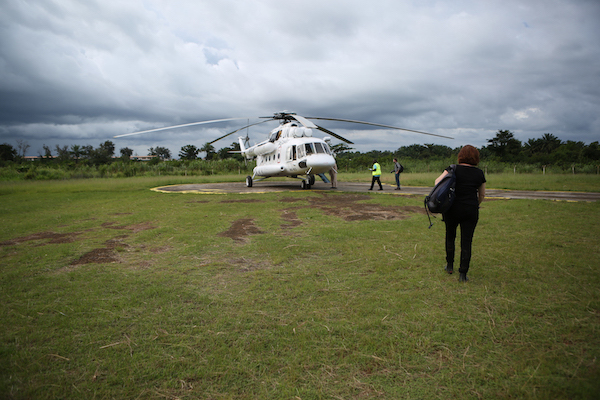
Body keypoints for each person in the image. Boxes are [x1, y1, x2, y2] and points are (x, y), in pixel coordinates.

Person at [434, 145, 486, 282]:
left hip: (452, 209)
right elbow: (482, 194)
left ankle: (450, 266)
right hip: (471, 210)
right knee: (466, 241)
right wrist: (476, 205)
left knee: (450, 237)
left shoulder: (453, 168)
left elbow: (437, 182)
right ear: (476, 157)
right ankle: (463, 273)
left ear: (460, 156)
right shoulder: (479, 173)